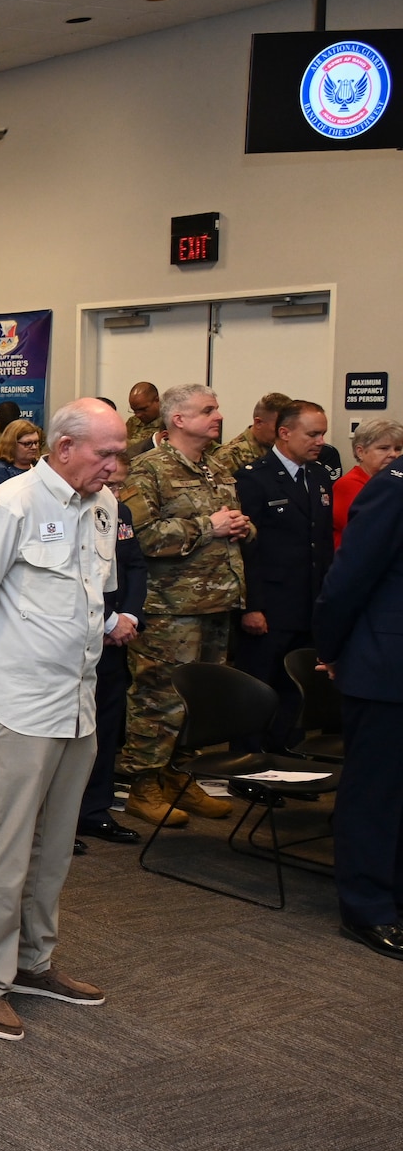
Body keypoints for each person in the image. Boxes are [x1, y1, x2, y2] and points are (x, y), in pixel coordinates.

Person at [0, 400, 126, 1042]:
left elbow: (89, 597)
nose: (115, 465)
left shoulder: (103, 506)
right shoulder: (7, 507)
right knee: (4, 844)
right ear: (65, 446)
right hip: (11, 705)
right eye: (105, 453)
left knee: (55, 846)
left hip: (76, 702)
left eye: (120, 453)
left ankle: (33, 962)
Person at [116, 384, 250, 828]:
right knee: (160, 697)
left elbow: (233, 528)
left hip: (216, 601)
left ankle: (179, 776)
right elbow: (142, 538)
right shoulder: (147, 470)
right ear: (178, 419)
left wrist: (241, 527)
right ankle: (143, 784)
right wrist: (206, 526)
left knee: (199, 699)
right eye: (207, 410)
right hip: (169, 608)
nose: (218, 416)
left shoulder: (216, 466)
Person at [313, 459, 403, 960]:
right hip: (387, 665)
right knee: (376, 794)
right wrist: (330, 648)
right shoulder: (393, 488)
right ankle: (367, 907)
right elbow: (348, 579)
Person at [231, 400, 334, 752]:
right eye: (313, 433)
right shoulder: (253, 477)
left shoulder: (319, 476)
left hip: (307, 603)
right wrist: (251, 606)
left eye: (322, 433)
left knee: (297, 689)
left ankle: (287, 762)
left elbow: (319, 544)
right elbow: (247, 549)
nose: (320, 441)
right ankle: (248, 765)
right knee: (259, 687)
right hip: (270, 605)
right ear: (285, 433)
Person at [77, 471, 147, 846]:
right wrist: (107, 620)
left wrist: (129, 617)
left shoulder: (119, 513)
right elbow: (72, 576)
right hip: (77, 635)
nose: (114, 492)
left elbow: (134, 565)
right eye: (109, 484)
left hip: (114, 637)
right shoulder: (64, 511)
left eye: (120, 486)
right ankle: (53, 818)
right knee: (67, 731)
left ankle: (93, 809)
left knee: (106, 723)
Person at [332, 418, 403, 548]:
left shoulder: (393, 482)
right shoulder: (349, 484)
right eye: (384, 448)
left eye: (398, 449)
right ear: (360, 452)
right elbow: (370, 530)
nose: (393, 454)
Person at [211, 391, 292, 475]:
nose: (285, 435)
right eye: (279, 429)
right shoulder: (230, 456)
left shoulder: (287, 450)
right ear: (259, 423)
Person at [0, 419, 42, 489]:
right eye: (27, 443)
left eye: (36, 442)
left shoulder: (40, 466)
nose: (34, 447)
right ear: (11, 444)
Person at [124, 382, 162, 452]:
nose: (138, 415)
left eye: (142, 409)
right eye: (134, 410)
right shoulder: (132, 421)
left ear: (157, 400)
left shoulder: (169, 423)